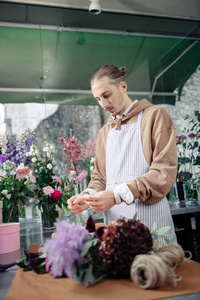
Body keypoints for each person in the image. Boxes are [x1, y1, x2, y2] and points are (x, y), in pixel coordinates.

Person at [67, 65, 178, 244]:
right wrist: (88, 196)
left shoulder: (155, 116)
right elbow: (100, 178)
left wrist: (116, 196)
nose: (103, 104)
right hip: (115, 230)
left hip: (152, 227)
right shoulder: (105, 132)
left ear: (123, 87)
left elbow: (163, 174)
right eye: (97, 99)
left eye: (106, 95)